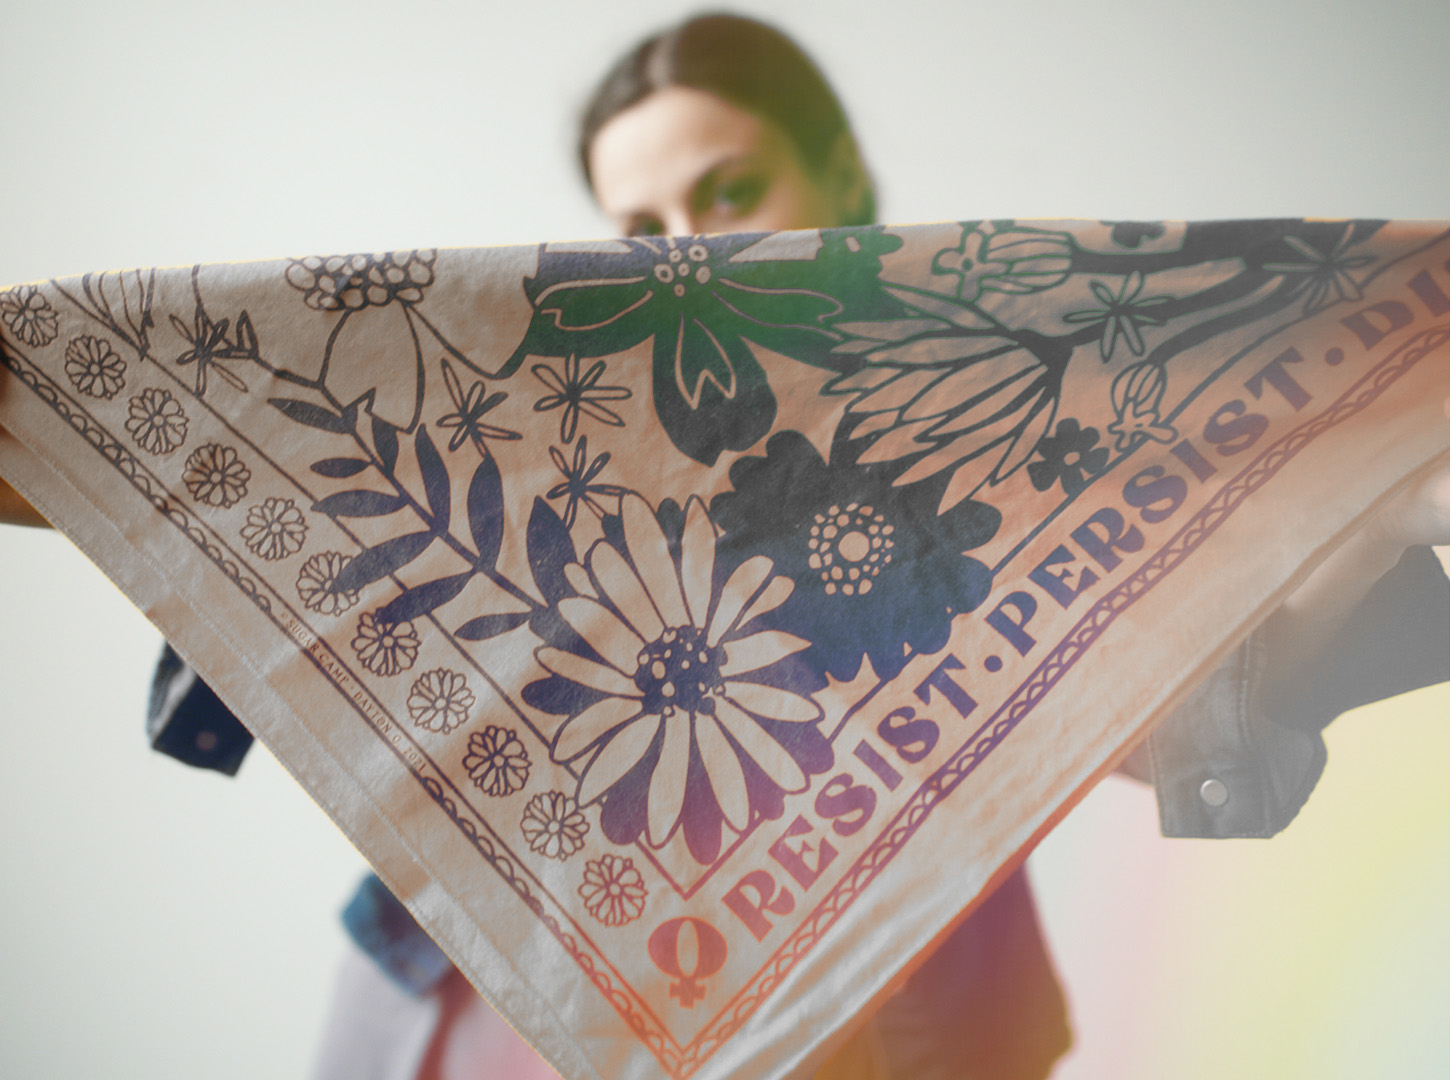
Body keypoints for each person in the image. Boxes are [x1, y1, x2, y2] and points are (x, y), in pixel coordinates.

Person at [3, 11, 1446, 1080]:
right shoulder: (533, 421)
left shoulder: (1018, 417)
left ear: (842, 181)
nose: (681, 245)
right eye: (636, 220)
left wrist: (1393, 455)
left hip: (879, 1029)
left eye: (728, 191)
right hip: (456, 1007)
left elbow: (1164, 674)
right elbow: (256, 503)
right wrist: (59, 425)